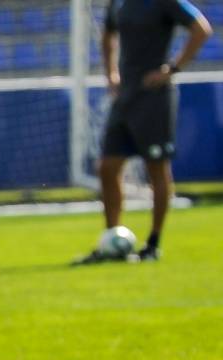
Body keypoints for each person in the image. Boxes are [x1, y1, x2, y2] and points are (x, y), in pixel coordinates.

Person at [77, 0, 212, 263]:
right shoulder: (118, 2)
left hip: (154, 98)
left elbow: (201, 29)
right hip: (125, 96)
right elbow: (108, 35)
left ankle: (153, 244)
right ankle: (111, 240)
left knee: (156, 168)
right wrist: (111, 74)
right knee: (107, 167)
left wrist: (171, 69)